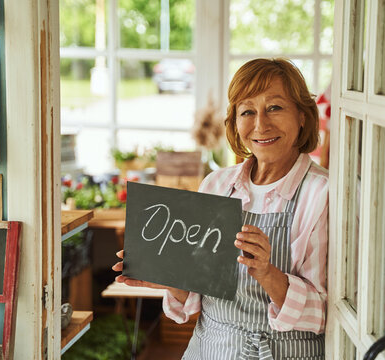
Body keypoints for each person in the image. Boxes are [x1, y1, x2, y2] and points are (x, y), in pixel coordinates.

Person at [113, 58, 328, 359]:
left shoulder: (322, 194)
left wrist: (268, 273)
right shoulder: (217, 185)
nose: (260, 124)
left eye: (275, 107)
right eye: (247, 111)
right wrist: (172, 280)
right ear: (235, 122)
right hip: (209, 350)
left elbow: (324, 314)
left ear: (303, 116)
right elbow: (196, 297)